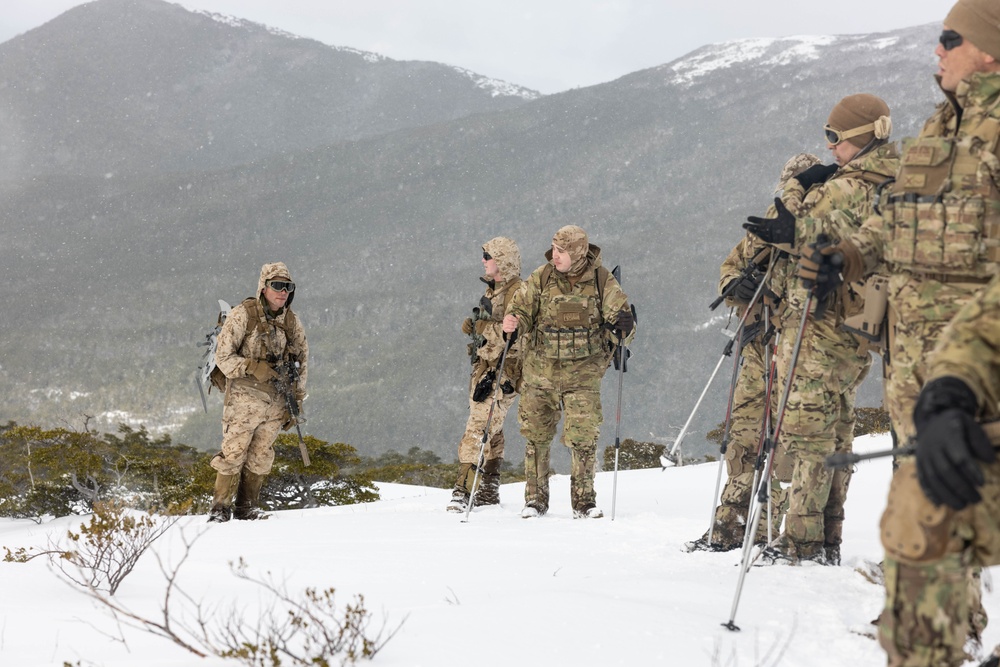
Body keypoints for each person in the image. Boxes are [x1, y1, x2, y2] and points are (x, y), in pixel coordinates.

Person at [800, 2, 1000, 660]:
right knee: (929, 512)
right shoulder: (940, 132)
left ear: (990, 52)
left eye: (951, 38)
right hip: (915, 366)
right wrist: (848, 254)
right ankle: (949, 623)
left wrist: (966, 376)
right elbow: (899, 222)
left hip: (978, 377)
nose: (936, 50)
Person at [745, 93, 899, 564]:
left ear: (859, 137)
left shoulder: (846, 187)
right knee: (836, 431)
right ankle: (828, 535)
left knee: (808, 434)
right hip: (857, 323)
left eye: (836, 138)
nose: (830, 147)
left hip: (818, 323)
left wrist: (795, 186)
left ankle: (801, 543)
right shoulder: (892, 180)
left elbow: (786, 228)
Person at [686, 152, 822, 553]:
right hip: (756, 346)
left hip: (795, 350)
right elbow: (730, 269)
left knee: (783, 443)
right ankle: (730, 524)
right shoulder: (762, 232)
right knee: (743, 437)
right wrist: (735, 288)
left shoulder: (825, 232)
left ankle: (772, 529)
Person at [502, 225, 635, 519]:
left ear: (577, 252)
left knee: (583, 438)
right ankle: (535, 499)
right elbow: (522, 309)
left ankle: (584, 501)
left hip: (583, 374)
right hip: (540, 372)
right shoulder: (541, 277)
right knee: (536, 437)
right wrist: (513, 323)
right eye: (554, 248)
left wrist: (624, 325)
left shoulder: (602, 281)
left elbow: (621, 316)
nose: (555, 256)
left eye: (562, 251)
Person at [208, 262, 308, 522]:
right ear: (264, 287)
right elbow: (223, 357)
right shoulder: (243, 314)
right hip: (244, 398)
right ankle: (220, 509)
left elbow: (302, 360)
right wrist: (252, 367)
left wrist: (296, 400)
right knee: (233, 452)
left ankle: (246, 508)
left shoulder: (291, 321)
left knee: (262, 455)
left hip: (276, 399)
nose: (282, 292)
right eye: (277, 286)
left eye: (288, 287)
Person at [447, 237, 524, 512]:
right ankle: (489, 490)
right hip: (487, 370)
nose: (483, 260)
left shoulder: (518, 294)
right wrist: (476, 326)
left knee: (478, 428)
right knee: (494, 429)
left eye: (488, 255)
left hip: (502, 372)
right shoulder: (497, 290)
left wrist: (483, 329)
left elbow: (515, 336)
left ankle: (462, 491)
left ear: (502, 260)